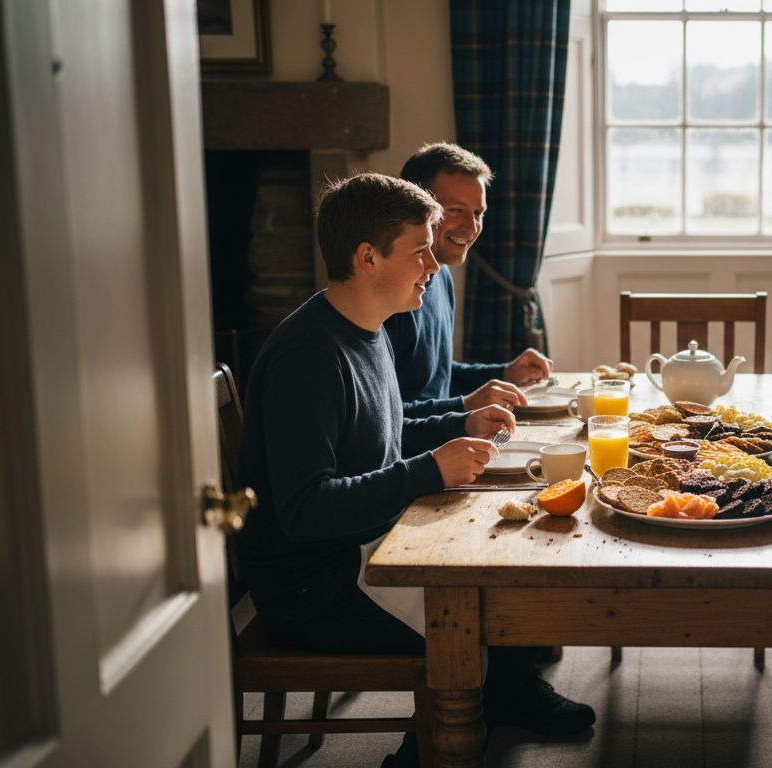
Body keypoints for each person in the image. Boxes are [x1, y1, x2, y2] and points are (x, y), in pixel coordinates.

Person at [237, 174, 595, 767]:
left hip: (362, 542)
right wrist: (429, 469)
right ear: (367, 257)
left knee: (498, 563)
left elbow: (382, 432)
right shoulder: (307, 357)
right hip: (311, 584)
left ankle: (497, 703)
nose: (435, 263)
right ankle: (432, 749)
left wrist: (461, 421)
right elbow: (305, 510)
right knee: (471, 626)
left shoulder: (366, 329)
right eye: (420, 249)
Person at [384, 141, 552, 417]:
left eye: (478, 214)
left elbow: (434, 375)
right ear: (415, 207)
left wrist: (505, 372)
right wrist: (465, 407)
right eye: (455, 210)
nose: (472, 227)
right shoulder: (391, 294)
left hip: (444, 437)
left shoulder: (442, 275)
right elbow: (383, 418)